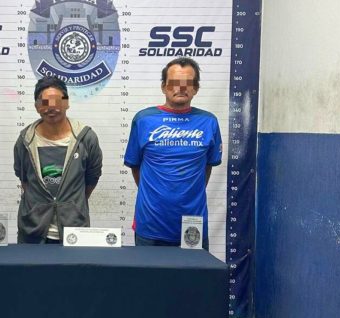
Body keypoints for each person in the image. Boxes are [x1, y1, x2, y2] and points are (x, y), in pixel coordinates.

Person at [123, 57, 222, 249]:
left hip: (193, 224)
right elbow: (135, 166)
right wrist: (156, 194)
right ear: (163, 86)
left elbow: (207, 167)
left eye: (188, 83)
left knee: (195, 271)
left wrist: (187, 194)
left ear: (196, 88)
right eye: (174, 83)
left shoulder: (209, 122)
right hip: (150, 223)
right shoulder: (143, 120)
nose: (181, 88)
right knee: (148, 271)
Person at [13, 76, 103, 243]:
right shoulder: (25, 140)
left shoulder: (86, 138)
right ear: (37, 106)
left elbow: (91, 179)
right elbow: (24, 179)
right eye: (45, 102)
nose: (51, 107)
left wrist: (71, 204)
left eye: (57, 101)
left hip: (74, 232)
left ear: (66, 103)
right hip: (32, 232)